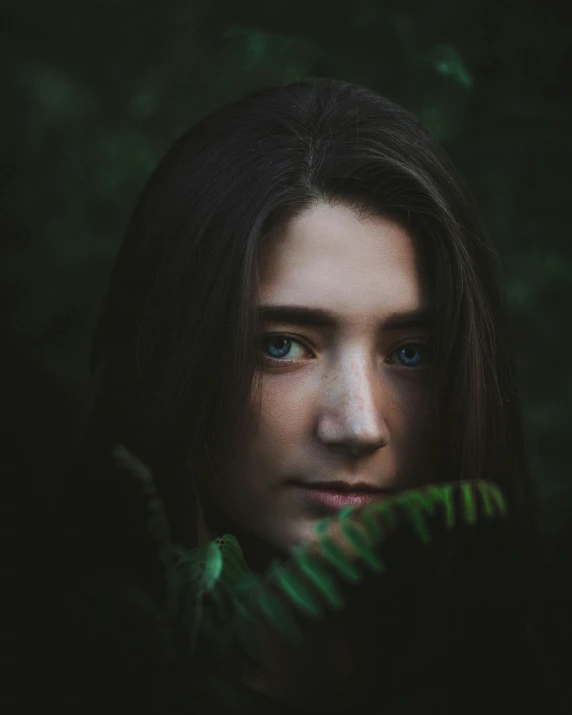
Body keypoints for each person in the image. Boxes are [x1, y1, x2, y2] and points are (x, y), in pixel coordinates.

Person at [68, 78, 562, 713]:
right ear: (175, 351)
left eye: (411, 353)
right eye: (282, 345)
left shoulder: (536, 660)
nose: (358, 426)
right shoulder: (46, 653)